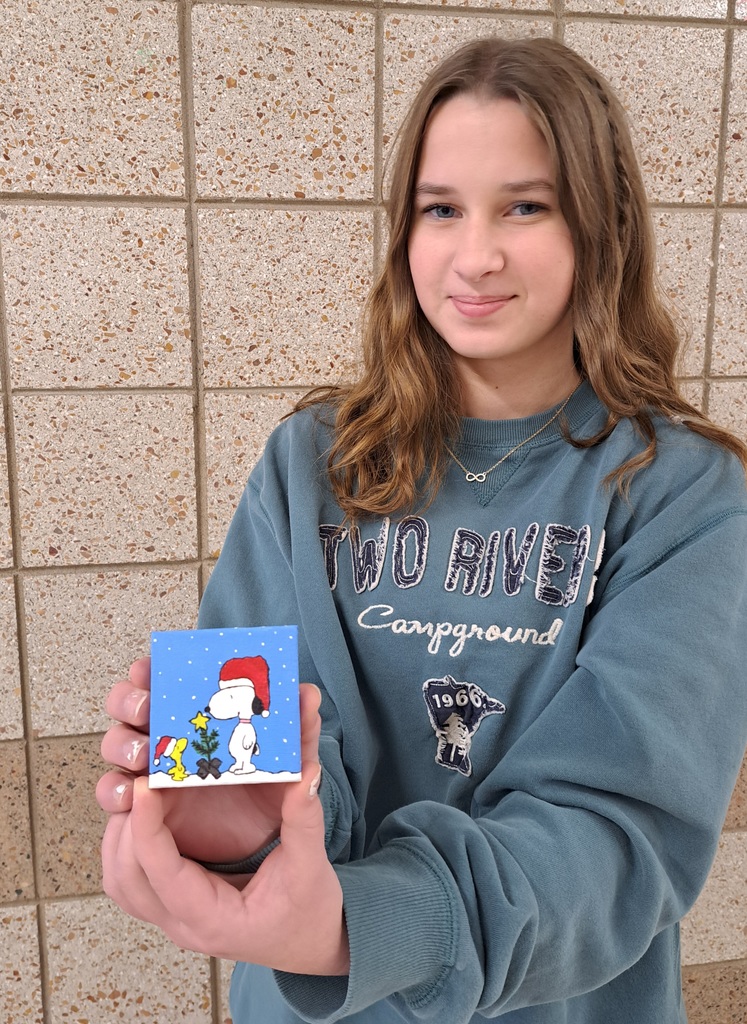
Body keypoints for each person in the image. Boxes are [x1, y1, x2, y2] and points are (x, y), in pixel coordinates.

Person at [97, 36, 747, 1024]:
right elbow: (251, 759)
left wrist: (354, 924)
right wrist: (219, 818)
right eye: (440, 209)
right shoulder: (310, 460)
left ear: (601, 225)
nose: (475, 256)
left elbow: (617, 829)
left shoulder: (681, 492)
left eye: (524, 207)